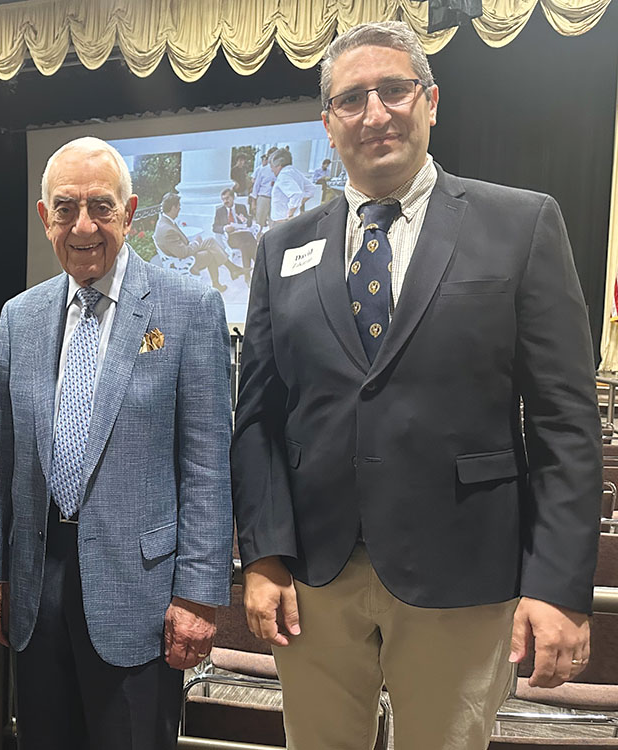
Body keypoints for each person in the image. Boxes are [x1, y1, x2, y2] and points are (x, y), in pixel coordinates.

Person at [232, 21, 600, 750]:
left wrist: (558, 586)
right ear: (328, 125)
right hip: (315, 579)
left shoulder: (521, 225)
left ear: (431, 100)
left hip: (462, 569)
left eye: (394, 90)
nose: (376, 112)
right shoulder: (283, 249)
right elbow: (259, 420)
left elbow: (564, 422)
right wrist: (263, 556)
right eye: (351, 99)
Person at [0, 136, 233, 750]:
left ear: (130, 212)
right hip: (37, 588)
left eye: (101, 207)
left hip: (140, 594)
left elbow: (206, 468)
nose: (83, 225)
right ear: (44, 218)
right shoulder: (20, 317)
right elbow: (3, 459)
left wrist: (197, 594)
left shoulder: (189, 308)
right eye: (65, 208)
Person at [154, 191, 245, 292]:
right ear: (173, 208)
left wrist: (194, 243)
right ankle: (228, 273)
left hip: (181, 252)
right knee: (211, 253)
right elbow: (183, 253)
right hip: (181, 261)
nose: (180, 208)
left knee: (210, 241)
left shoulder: (165, 221)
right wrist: (196, 243)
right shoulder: (167, 229)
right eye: (178, 206)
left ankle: (231, 270)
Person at [213, 187, 258, 280]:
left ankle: (250, 272)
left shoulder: (241, 207)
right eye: (223, 199)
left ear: (233, 198)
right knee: (245, 245)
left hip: (244, 233)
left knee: (250, 242)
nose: (225, 201)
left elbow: (249, 223)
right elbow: (215, 227)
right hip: (232, 237)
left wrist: (245, 220)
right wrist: (225, 228)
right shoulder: (220, 211)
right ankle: (252, 271)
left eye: (227, 198)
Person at [268, 148, 317, 225]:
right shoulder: (295, 172)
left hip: (282, 221)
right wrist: (298, 204)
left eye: (272, 166)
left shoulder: (283, 175)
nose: (271, 170)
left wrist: (290, 214)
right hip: (291, 219)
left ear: (278, 165)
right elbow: (312, 189)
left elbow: (296, 194)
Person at [250, 148, 278, 226]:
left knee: (274, 222)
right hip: (263, 197)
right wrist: (253, 202)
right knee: (260, 222)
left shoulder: (281, 170)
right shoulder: (263, 170)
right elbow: (256, 186)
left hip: (275, 199)